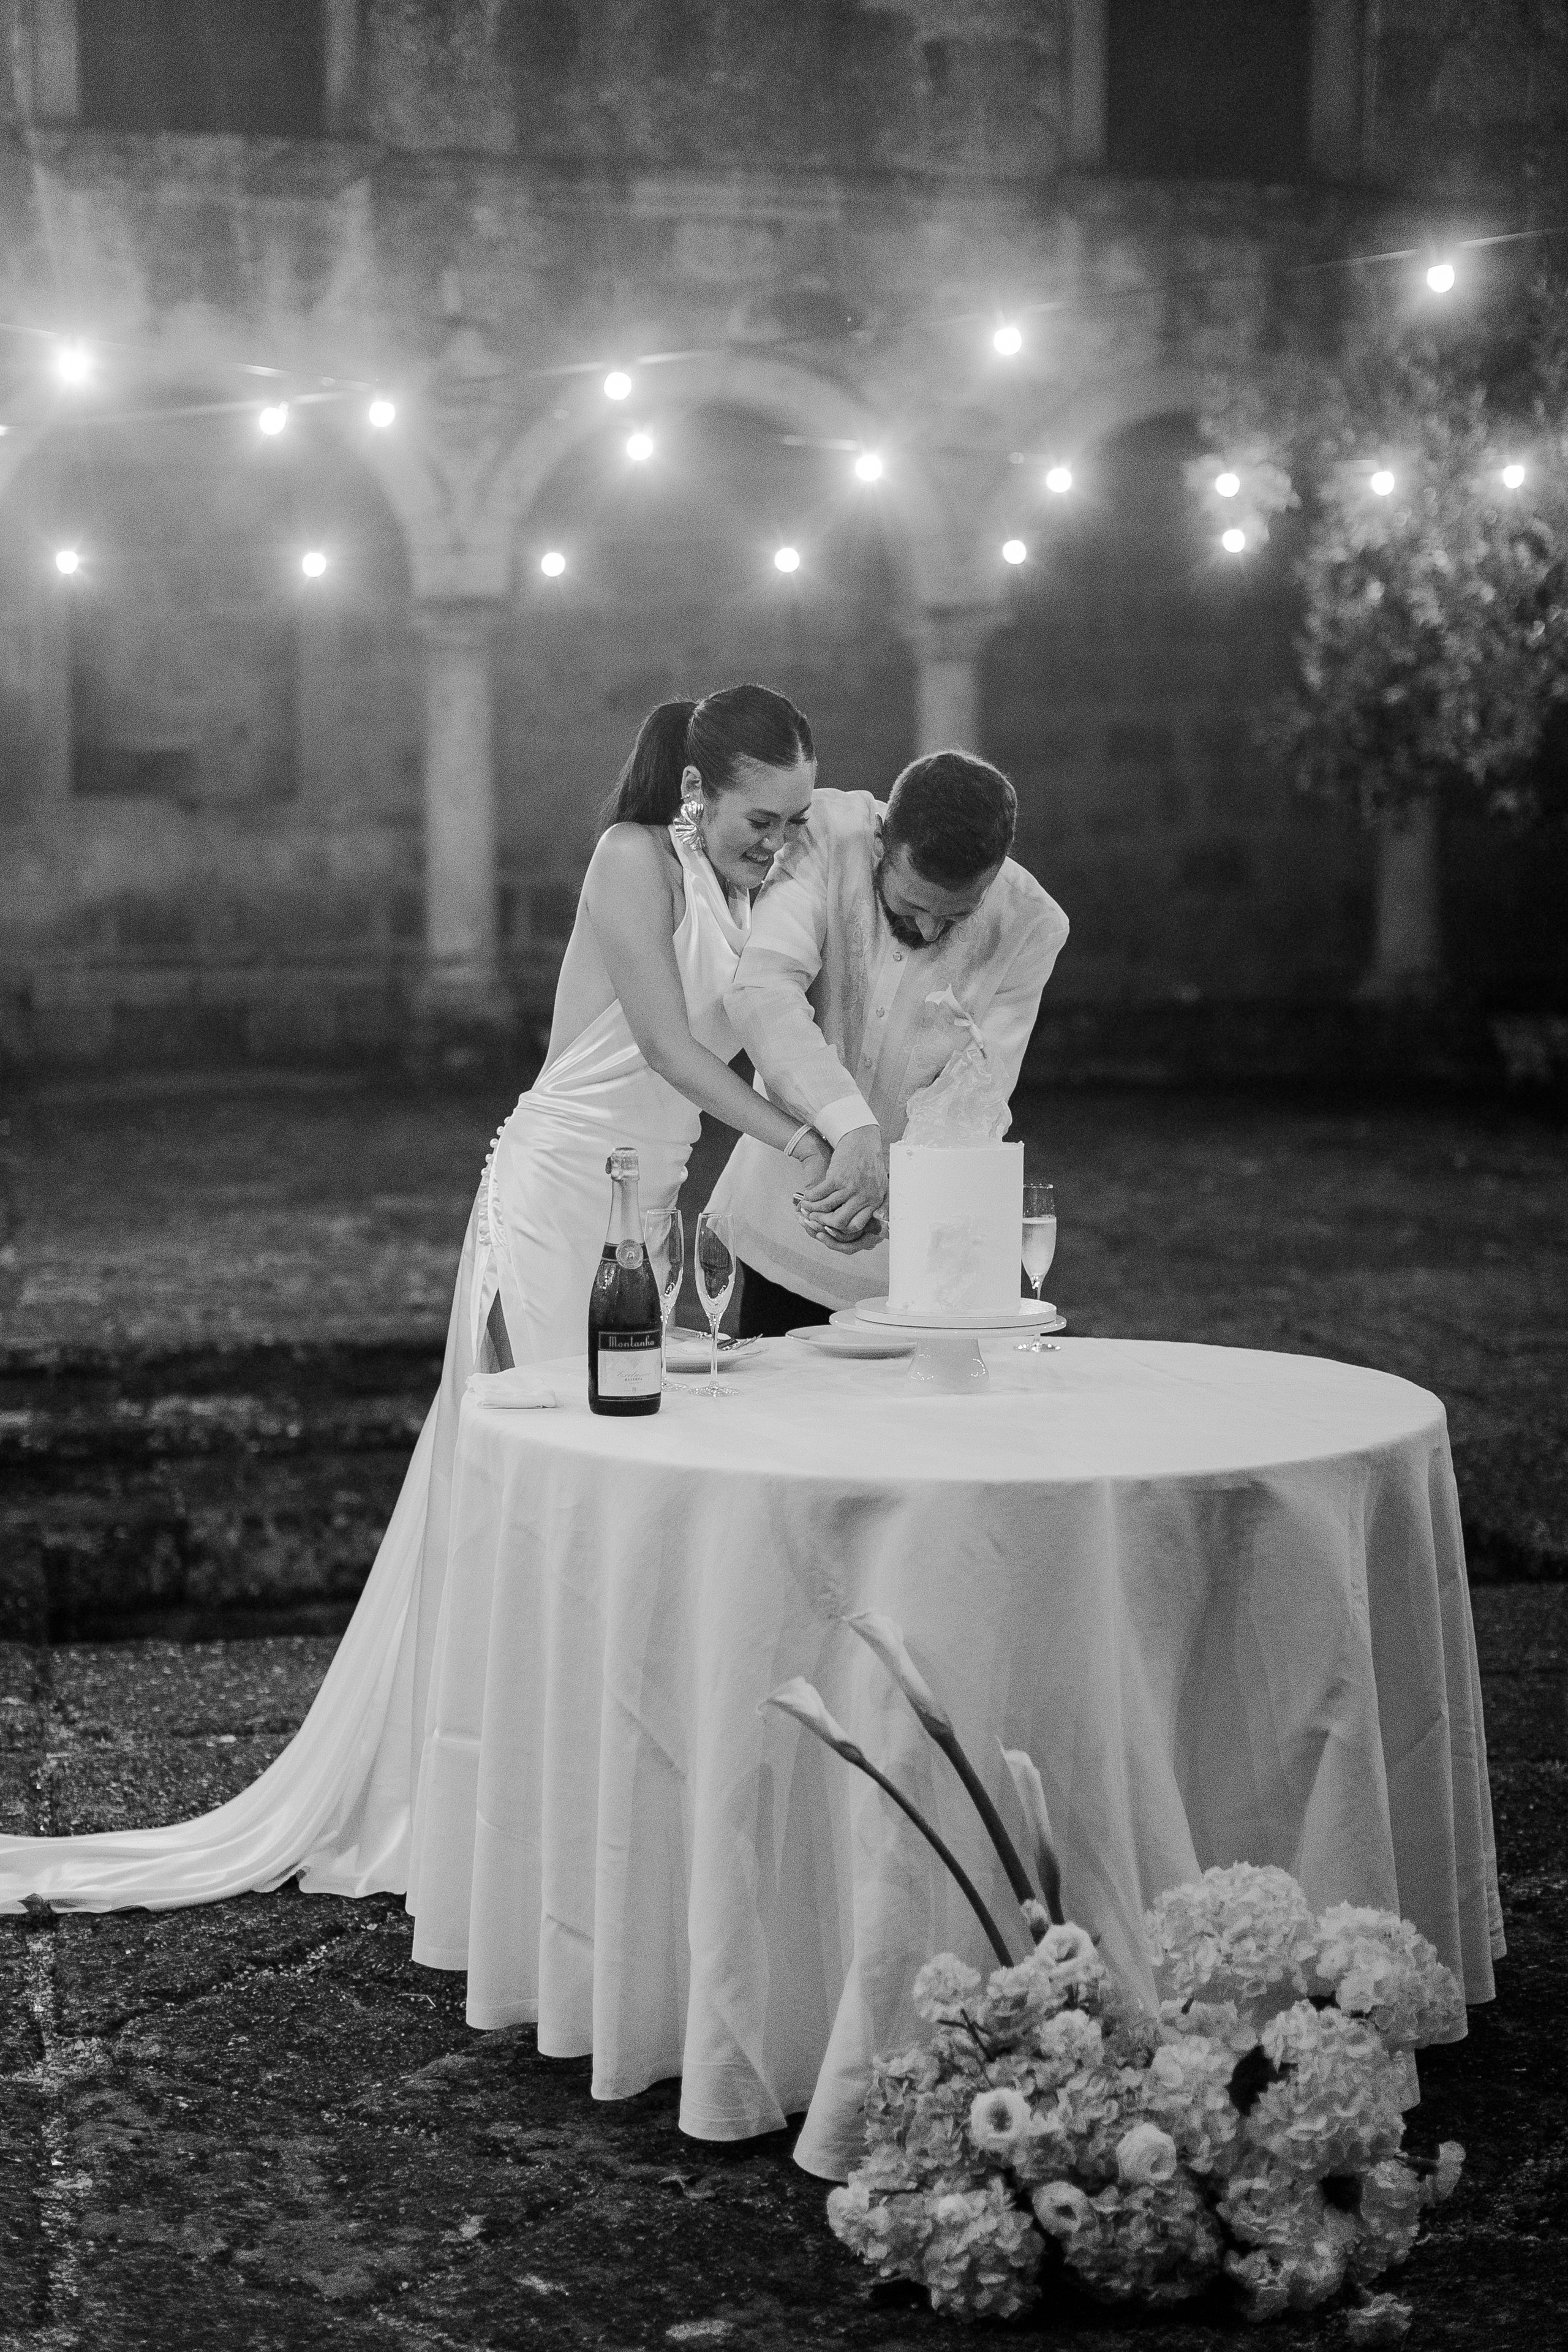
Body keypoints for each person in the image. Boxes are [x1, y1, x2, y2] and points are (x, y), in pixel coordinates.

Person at [0, 683, 827, 1920]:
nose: (781, 843)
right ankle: (487, 1787)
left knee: (626, 1479)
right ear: (700, 792)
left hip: (640, 1206)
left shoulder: (754, 883)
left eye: (797, 820)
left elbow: (768, 1014)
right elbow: (663, 1046)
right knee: (537, 1485)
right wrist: (808, 1139)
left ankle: (589, 1771)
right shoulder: (632, 858)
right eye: (765, 818)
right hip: (556, 1198)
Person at [708, 748, 1069, 1335]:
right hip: (787, 1216)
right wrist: (854, 1129)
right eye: (913, 903)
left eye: (957, 914)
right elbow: (763, 993)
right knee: (773, 1420)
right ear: (882, 843)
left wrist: (890, 1200)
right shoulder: (826, 833)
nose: (929, 929)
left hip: (923, 1251)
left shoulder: (1032, 926)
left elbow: (977, 1099)